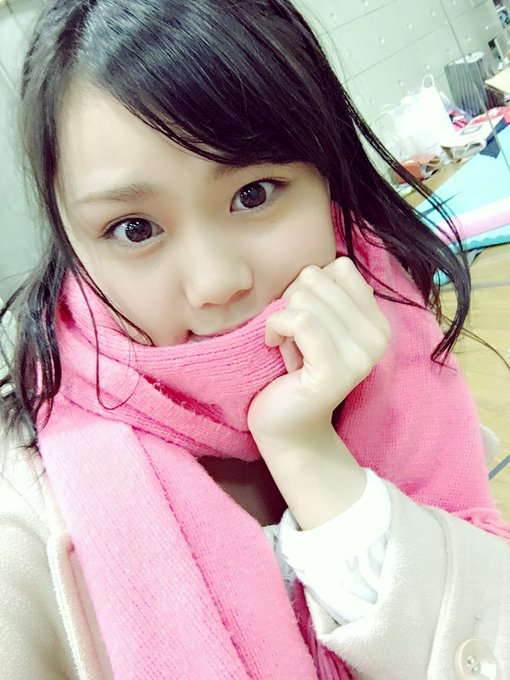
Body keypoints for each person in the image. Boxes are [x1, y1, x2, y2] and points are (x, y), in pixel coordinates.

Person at [0, 1, 509, 678]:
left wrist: (311, 459)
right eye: (134, 229)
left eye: (255, 193)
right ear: (73, 244)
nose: (215, 284)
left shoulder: (397, 339)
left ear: (329, 178)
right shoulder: (24, 520)